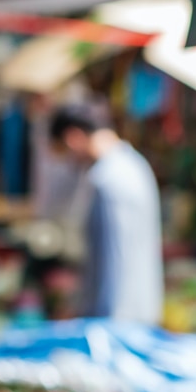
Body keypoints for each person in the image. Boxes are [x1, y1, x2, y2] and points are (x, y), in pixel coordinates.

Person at [48, 106, 164, 326]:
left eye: (64, 152)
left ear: (73, 138)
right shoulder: (133, 165)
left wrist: (102, 322)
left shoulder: (109, 179)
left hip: (118, 321)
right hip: (136, 314)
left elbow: (114, 261)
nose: (69, 162)